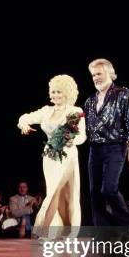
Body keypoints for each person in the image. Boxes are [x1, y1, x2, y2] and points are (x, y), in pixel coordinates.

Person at [18, 74, 86, 238]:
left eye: (59, 92)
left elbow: (82, 136)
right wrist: (24, 124)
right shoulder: (46, 111)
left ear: (67, 93)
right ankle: (56, 231)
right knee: (55, 191)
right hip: (49, 156)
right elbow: (24, 117)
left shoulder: (74, 111)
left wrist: (72, 140)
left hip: (67, 154)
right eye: (53, 91)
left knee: (64, 193)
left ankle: (50, 231)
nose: (55, 95)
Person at [84, 58, 129, 227]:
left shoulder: (124, 94)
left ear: (110, 73)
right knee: (95, 194)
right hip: (94, 150)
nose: (96, 77)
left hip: (115, 147)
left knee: (108, 189)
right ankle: (103, 234)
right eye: (93, 75)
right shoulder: (90, 101)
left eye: (99, 73)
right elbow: (85, 128)